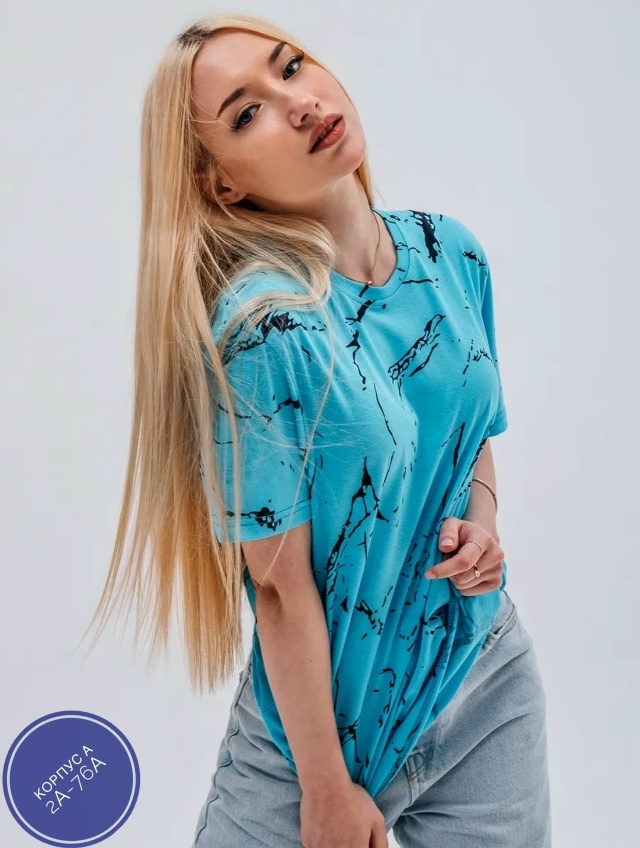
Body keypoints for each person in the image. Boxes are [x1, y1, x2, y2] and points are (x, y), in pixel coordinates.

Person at [83, 11, 552, 848]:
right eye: (246, 113)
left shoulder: (451, 253)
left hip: (484, 686)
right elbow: (278, 587)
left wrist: (480, 531)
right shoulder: (266, 333)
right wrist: (327, 787)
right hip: (319, 738)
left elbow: (470, 432)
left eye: (291, 67)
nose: (298, 102)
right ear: (222, 185)